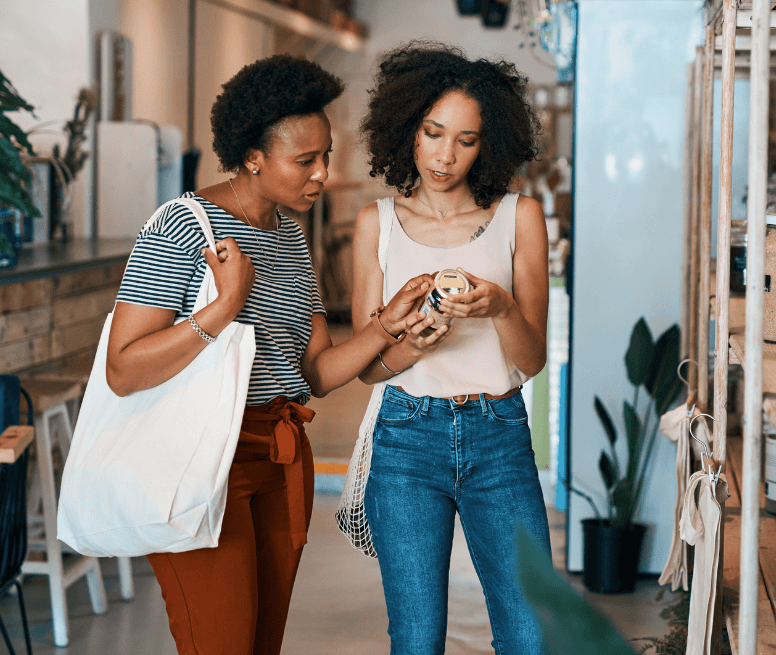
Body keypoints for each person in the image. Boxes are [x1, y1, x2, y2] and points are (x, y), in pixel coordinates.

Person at [105, 55, 431, 655]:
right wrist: (222, 308)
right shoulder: (183, 226)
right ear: (253, 156)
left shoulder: (288, 235)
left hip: (281, 457)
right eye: (305, 160)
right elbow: (123, 369)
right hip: (203, 458)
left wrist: (392, 326)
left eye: (326, 155)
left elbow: (316, 374)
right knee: (221, 644)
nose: (323, 175)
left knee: (261, 644)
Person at [351, 42, 552, 655]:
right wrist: (407, 342)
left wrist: (501, 308)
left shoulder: (521, 216)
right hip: (407, 439)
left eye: (465, 139)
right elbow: (367, 369)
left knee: (529, 634)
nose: (445, 155)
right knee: (415, 641)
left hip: (500, 436)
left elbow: (533, 359)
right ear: (407, 129)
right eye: (433, 133)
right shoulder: (376, 223)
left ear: (488, 143)